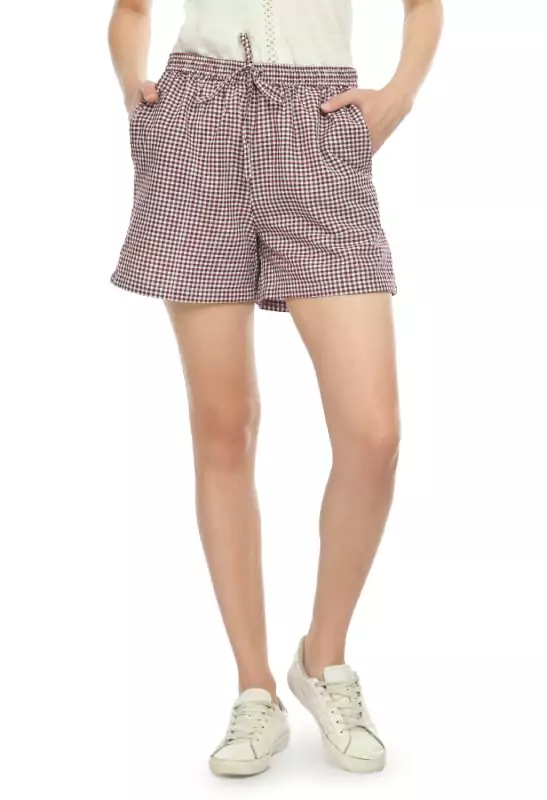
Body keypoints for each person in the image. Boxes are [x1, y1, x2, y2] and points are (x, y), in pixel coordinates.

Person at [108, 0, 443, 778]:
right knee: (224, 427)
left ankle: (322, 658)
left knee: (373, 434)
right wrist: (136, 97)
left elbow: (422, 5)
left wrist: (399, 93)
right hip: (194, 126)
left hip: (317, 126)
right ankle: (254, 686)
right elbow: (129, 10)